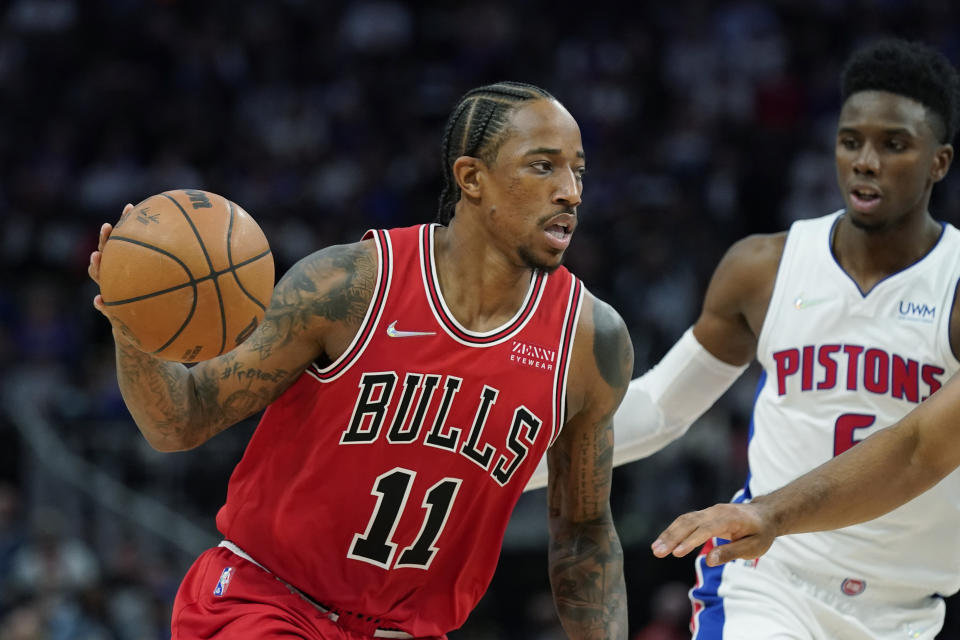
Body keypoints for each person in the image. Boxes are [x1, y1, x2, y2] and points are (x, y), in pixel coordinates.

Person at [87, 81, 631, 639]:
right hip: (264, 604)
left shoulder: (590, 341)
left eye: (579, 171)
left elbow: (584, 532)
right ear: (471, 178)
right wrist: (132, 328)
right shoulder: (351, 285)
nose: (571, 192)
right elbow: (182, 419)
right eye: (543, 167)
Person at [527, 37, 960, 639]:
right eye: (850, 140)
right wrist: (510, 462)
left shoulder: (954, 286)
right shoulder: (764, 267)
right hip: (772, 580)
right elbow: (660, 409)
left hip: (907, 607)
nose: (865, 160)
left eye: (895, 145)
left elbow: (918, 449)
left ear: (938, 161)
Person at [650, 364, 960, 567]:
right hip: (778, 574)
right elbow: (913, 451)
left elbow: (916, 451)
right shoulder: (763, 267)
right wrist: (768, 513)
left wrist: (771, 512)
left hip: (912, 590)